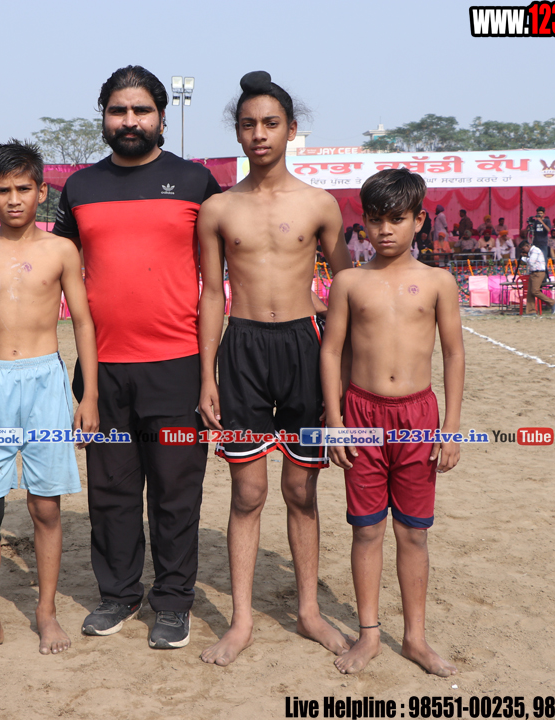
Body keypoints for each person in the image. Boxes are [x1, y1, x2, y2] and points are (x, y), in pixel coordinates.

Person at [52, 65, 222, 649]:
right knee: (111, 493)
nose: (130, 121)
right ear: (103, 118)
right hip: (103, 371)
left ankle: (173, 603)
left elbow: (223, 278)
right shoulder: (79, 189)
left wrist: (210, 375)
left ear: (162, 117)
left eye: (141, 110)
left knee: (176, 493)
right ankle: (118, 594)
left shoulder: (196, 182)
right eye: (118, 111)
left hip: (177, 368)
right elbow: (58, 275)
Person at [196, 71, 352, 667]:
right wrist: (207, 375)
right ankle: (240, 621)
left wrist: (343, 367)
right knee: (248, 491)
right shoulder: (217, 208)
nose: (259, 134)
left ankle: (308, 611)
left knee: (300, 489)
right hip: (241, 351)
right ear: (237, 133)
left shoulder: (318, 204)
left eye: (270, 123)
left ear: (291, 129)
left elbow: (347, 285)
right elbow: (212, 294)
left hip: (303, 349)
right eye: (248, 124)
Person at [0, 140, 99, 662]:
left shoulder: (61, 251)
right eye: (3, 190)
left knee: (45, 505)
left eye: (23, 189)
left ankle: (46, 611)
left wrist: (88, 395)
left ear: (41, 191)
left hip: (45, 383)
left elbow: (83, 322)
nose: (14, 199)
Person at [320, 167, 464, 677]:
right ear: (363, 222)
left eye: (397, 219)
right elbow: (331, 351)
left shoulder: (439, 282)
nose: (385, 230)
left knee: (413, 533)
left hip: (419, 417)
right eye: (376, 219)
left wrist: (451, 427)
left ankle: (416, 638)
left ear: (419, 221)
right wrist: (335, 421)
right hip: (361, 414)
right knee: (366, 531)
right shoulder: (349, 282)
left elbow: (454, 353)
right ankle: (369, 634)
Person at [522, 239, 555, 314]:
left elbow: (531, 262)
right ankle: (531, 311)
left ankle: (552, 302)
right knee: (530, 293)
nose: (524, 251)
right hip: (533, 272)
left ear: (527, 246)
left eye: (523, 249)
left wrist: (524, 258)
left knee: (535, 291)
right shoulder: (531, 252)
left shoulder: (535, 250)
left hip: (538, 273)